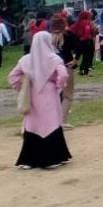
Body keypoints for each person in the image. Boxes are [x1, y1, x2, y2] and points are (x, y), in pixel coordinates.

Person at [9, 32, 72, 169]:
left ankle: (29, 160)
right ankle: (53, 159)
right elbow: (63, 74)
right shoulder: (54, 58)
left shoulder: (26, 59)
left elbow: (12, 76)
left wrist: (22, 87)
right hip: (49, 94)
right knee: (51, 123)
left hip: (32, 94)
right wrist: (57, 85)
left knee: (32, 125)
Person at [72, 10, 96, 76]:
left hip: (79, 42)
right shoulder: (89, 22)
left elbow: (72, 32)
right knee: (89, 57)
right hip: (88, 41)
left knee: (85, 57)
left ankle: (82, 70)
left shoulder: (76, 23)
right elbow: (92, 31)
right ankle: (86, 71)